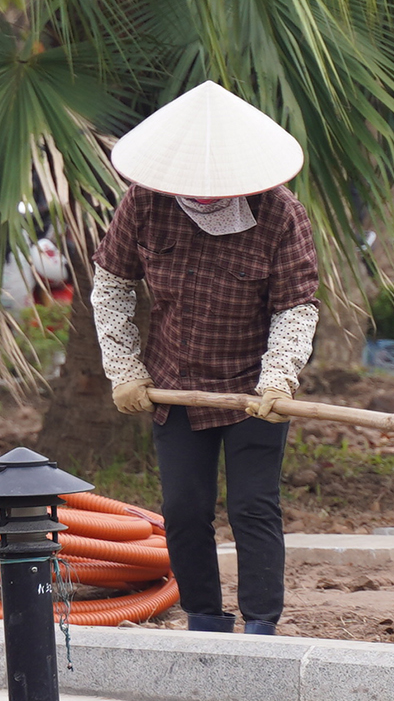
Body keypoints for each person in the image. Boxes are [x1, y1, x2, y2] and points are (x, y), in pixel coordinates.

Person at [90, 81, 321, 636]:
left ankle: (262, 623)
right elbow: (112, 284)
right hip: (175, 384)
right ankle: (204, 618)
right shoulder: (145, 204)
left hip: (253, 388)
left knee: (252, 506)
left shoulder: (279, 214)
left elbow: (297, 307)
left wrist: (279, 379)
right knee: (186, 510)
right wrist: (125, 369)